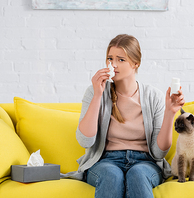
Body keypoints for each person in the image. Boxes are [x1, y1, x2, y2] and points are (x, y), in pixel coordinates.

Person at [76, 34, 185, 198]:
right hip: (105, 161)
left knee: (138, 175)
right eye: (110, 58)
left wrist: (170, 113)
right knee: (112, 176)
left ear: (136, 63)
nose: (113, 64)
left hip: (145, 162)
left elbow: (158, 153)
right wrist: (98, 95)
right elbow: (85, 140)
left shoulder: (153, 96)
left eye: (121, 60)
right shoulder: (94, 91)